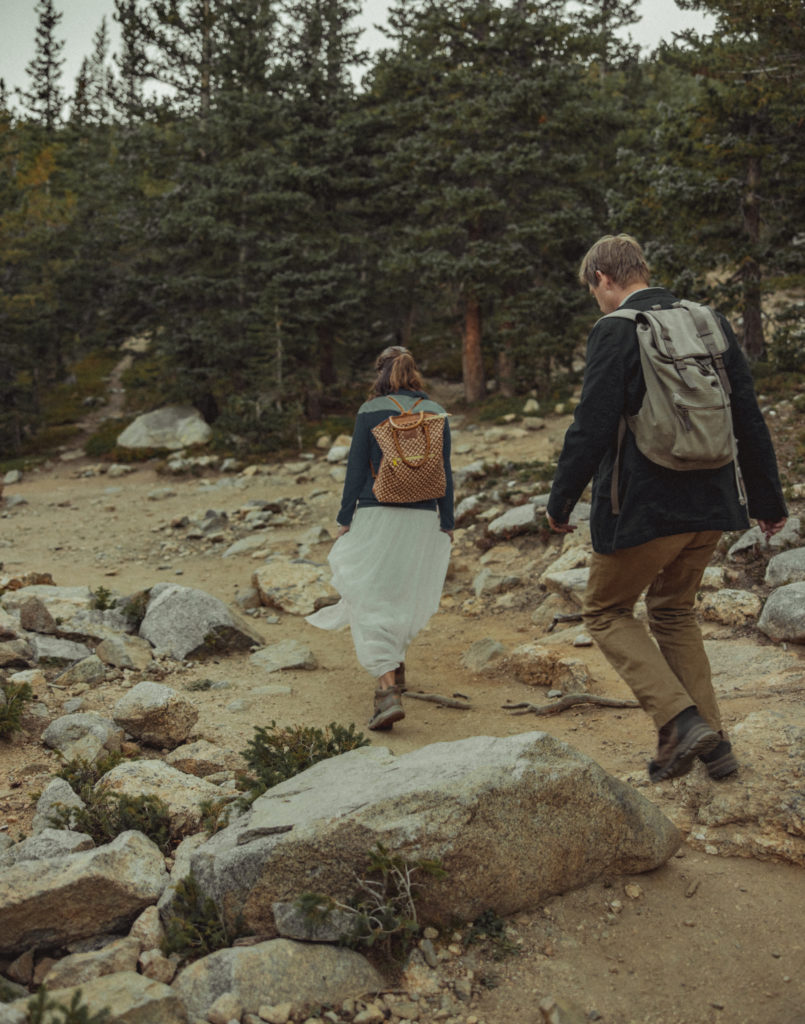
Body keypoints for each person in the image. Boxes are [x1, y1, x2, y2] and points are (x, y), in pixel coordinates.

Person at [546, 234, 787, 782]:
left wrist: (560, 502)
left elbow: (591, 426)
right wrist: (767, 501)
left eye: (594, 291)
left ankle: (679, 723)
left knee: (606, 612)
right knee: (674, 611)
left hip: (645, 508)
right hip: (713, 503)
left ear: (605, 279)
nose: (598, 300)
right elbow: (747, 413)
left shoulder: (615, 329)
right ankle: (716, 746)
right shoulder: (709, 322)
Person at [306, 346, 454, 730]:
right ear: (413, 372)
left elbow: (356, 469)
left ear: (380, 373)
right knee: (404, 590)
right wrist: (448, 519)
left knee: (371, 594)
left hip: (377, 511)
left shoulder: (370, 411)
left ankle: (387, 691)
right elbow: (445, 470)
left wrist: (344, 518)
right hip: (423, 516)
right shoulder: (436, 411)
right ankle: (396, 665)